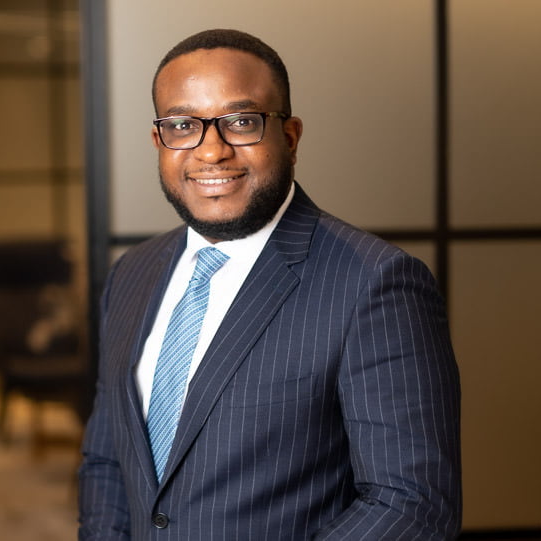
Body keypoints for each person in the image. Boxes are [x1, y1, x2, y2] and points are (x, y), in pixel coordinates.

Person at [78, 29, 461, 540]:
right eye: (183, 125)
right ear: (159, 141)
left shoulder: (375, 283)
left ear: (290, 136)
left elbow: (412, 505)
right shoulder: (133, 273)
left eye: (240, 122)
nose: (210, 151)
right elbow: (107, 458)